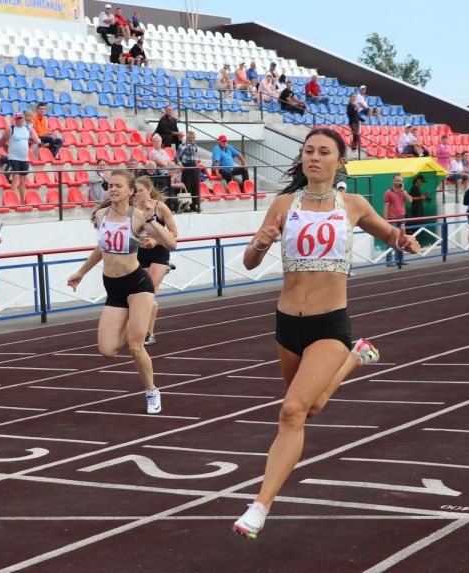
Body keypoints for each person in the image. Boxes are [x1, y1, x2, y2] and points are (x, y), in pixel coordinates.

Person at [231, 128, 419, 539]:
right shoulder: (283, 204)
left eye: (323, 152)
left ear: (340, 162)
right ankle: (355, 357)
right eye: (308, 151)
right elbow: (248, 261)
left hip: (329, 324)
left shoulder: (352, 204)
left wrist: (404, 241)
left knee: (291, 411)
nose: (314, 157)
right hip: (288, 324)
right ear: (301, 160)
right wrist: (260, 244)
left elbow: (389, 234)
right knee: (310, 409)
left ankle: (259, 506)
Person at [67, 170, 177, 415]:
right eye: (110, 185)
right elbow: (101, 248)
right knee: (107, 350)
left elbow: (171, 243)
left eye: (118, 185)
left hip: (138, 285)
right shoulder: (100, 215)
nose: (113, 189)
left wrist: (151, 222)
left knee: (136, 347)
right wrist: (81, 272)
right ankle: (134, 324)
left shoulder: (138, 217)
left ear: (130, 191)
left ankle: (151, 391)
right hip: (113, 287)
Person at [133, 176, 178, 345]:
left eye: (141, 190)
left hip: (159, 252)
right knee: (144, 294)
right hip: (140, 254)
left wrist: (156, 240)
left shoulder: (160, 207)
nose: (138, 194)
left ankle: (148, 334)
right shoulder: (132, 210)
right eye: (135, 191)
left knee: (149, 291)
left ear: (149, 190)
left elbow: (174, 232)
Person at [0, 112, 38, 203]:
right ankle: (14, 201)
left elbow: (36, 140)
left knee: (23, 180)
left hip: (24, 158)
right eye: (18, 118)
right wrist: (8, 150)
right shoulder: (11, 129)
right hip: (14, 157)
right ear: (15, 119)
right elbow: (2, 141)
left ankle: (22, 201)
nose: (19, 120)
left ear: (23, 118)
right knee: (15, 180)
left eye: (21, 118)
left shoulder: (27, 128)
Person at [383, 174, 413, 267]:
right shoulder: (388, 193)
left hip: (402, 218)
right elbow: (386, 207)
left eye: (400, 181)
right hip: (392, 219)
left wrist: (403, 191)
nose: (399, 182)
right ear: (393, 181)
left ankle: (400, 260)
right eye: (397, 180)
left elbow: (410, 200)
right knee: (391, 240)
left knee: (402, 240)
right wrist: (386, 220)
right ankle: (389, 261)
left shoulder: (403, 192)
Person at [177, 130, 202, 212]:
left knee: (195, 186)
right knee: (187, 186)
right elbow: (177, 157)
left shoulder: (196, 146)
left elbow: (196, 158)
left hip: (194, 166)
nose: (191, 139)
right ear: (187, 137)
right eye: (190, 137)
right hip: (186, 167)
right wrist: (180, 164)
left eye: (193, 137)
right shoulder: (182, 146)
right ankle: (186, 206)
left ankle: (194, 205)